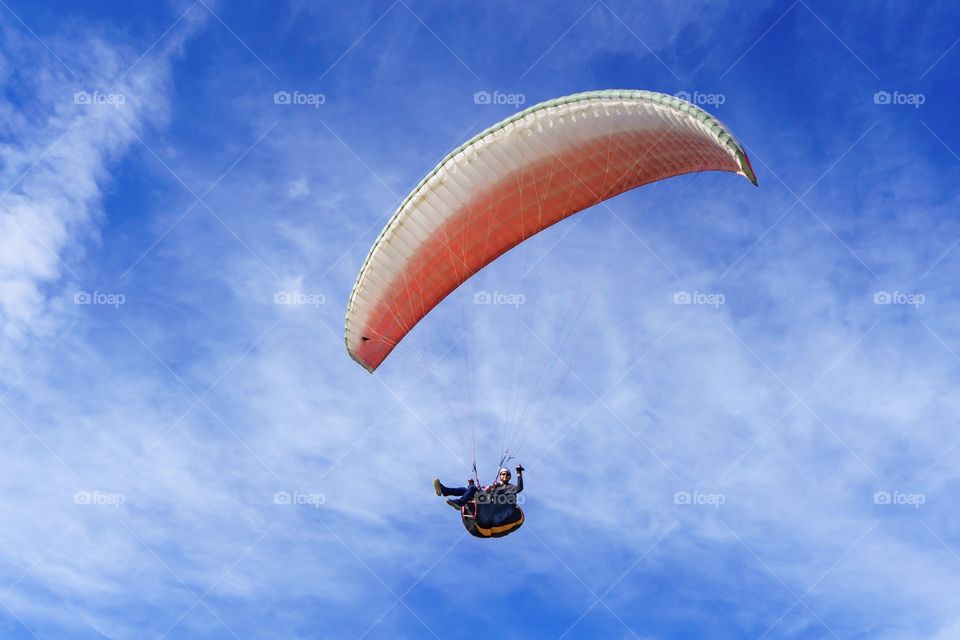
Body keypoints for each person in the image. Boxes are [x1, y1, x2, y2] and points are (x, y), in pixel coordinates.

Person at [434, 465, 524, 511]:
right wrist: (471, 484)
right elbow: (483, 490)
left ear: (510, 477)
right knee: (465, 489)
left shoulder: (509, 487)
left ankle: (460, 502)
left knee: (472, 489)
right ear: (500, 475)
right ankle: (444, 490)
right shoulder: (495, 486)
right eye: (503, 474)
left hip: (492, 503)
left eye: (507, 474)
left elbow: (519, 488)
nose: (505, 476)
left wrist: (519, 473)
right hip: (484, 499)